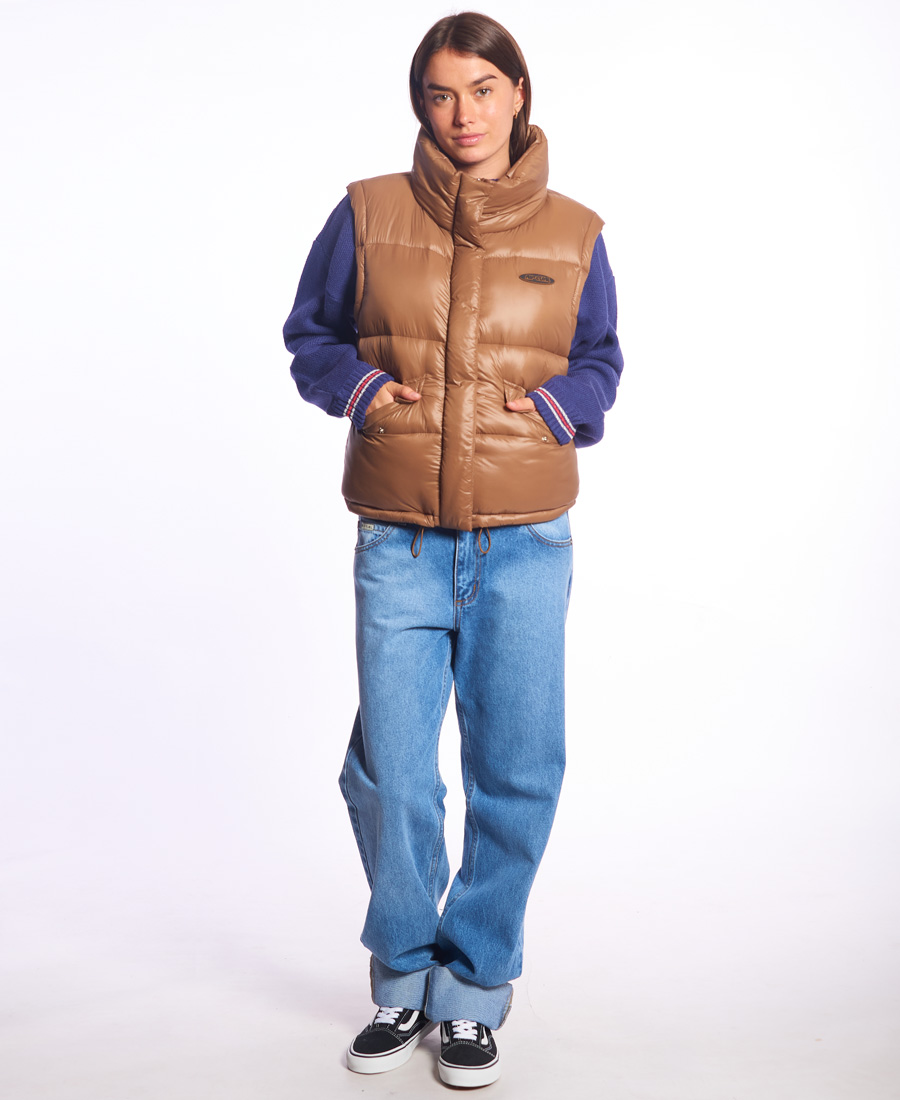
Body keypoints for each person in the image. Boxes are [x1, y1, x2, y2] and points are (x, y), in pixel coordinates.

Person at [282, 12, 624, 1089]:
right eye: (440, 92)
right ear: (420, 104)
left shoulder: (576, 232)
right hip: (400, 537)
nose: (462, 112)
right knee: (392, 772)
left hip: (526, 541)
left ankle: (472, 990)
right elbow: (310, 335)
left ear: (517, 94)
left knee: (516, 769)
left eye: (482, 89)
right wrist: (363, 390)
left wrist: (561, 408)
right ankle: (403, 973)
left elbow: (604, 361)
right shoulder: (367, 212)